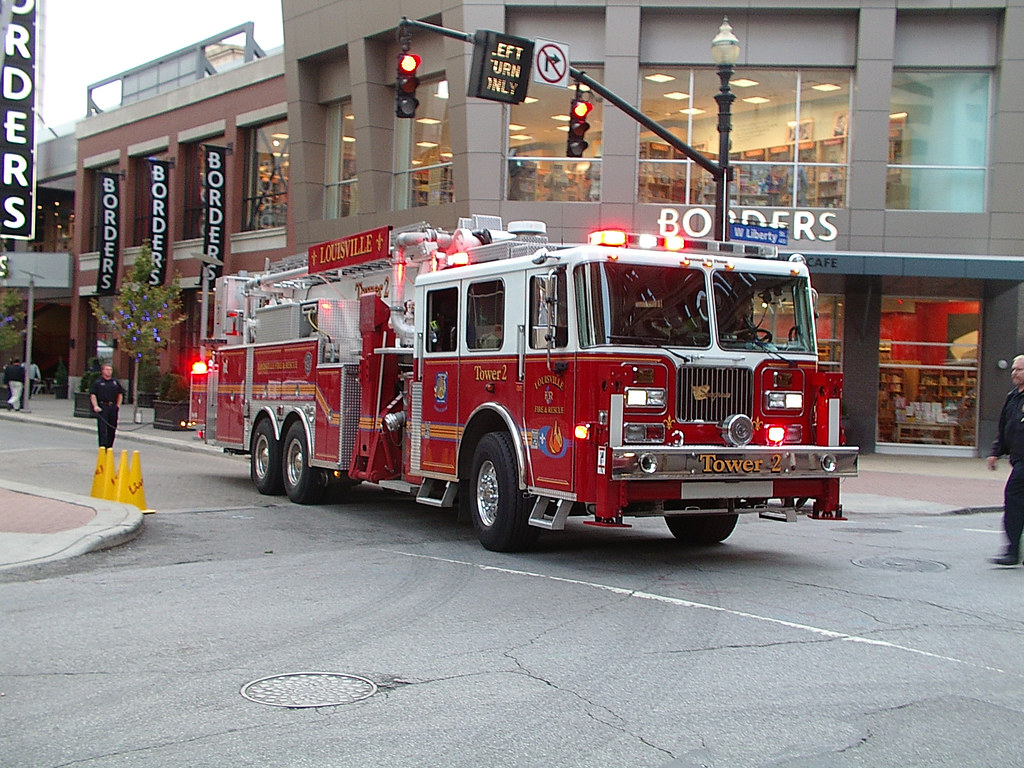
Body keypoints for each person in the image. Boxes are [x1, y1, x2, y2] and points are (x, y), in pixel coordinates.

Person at [987, 354, 1024, 565]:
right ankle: (1013, 550)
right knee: (1015, 503)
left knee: (1014, 498)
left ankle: (1013, 552)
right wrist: (995, 452)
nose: (1014, 373)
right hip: (1018, 460)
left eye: (1019, 369)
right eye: (1013, 369)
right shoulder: (1012, 397)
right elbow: (1004, 428)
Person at [89, 363, 125, 448]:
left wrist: (118, 405)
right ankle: (102, 447)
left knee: (112, 427)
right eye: (107, 369)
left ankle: (110, 446)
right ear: (102, 371)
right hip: (102, 406)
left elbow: (120, 394)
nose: (109, 371)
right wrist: (95, 406)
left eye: (110, 370)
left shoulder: (115, 382)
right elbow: (93, 395)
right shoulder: (98, 382)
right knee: (102, 428)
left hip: (112, 407)